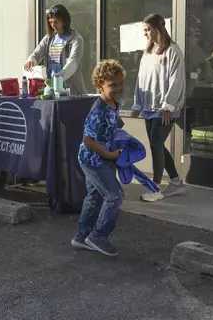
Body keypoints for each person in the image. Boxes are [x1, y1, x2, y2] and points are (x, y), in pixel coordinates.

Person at [71, 59, 125, 257]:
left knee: (94, 196)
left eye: (120, 83)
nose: (118, 88)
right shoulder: (98, 109)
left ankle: (81, 236)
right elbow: (88, 140)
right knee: (114, 195)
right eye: (113, 85)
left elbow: (115, 125)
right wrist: (110, 154)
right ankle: (98, 236)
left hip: (101, 159)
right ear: (100, 86)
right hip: (93, 160)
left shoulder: (113, 103)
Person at [130, 13, 186, 203]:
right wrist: (138, 103)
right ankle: (176, 182)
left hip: (165, 110)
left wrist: (168, 107)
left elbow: (176, 80)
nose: (146, 33)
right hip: (148, 108)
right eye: (144, 30)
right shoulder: (148, 52)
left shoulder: (173, 52)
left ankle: (155, 187)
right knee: (157, 145)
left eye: (148, 29)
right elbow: (141, 80)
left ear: (158, 28)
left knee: (155, 143)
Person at [23, 4, 88, 95]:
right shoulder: (49, 38)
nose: (53, 25)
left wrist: (59, 78)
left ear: (64, 21)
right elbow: (36, 55)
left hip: (72, 91)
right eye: (50, 22)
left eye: (56, 22)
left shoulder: (76, 39)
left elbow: (73, 62)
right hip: (52, 90)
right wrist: (31, 60)